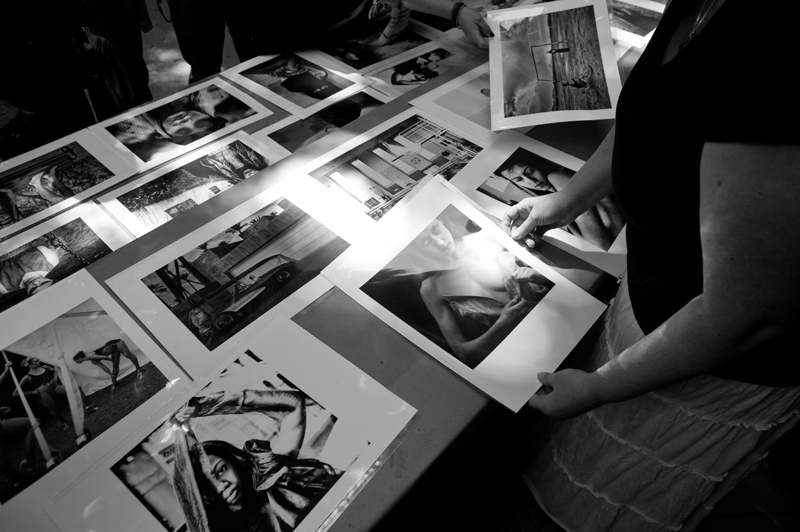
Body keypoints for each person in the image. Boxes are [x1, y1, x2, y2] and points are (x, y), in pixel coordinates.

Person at [502, 1, 800, 530]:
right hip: (657, 300)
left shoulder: (777, 48)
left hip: (714, 359)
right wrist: (567, 199)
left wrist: (600, 389)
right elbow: (655, 112)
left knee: (610, 494)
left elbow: (748, 314)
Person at [171, 387, 342, 532]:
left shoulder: (273, 477)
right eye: (206, 487)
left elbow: (292, 406)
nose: (221, 485)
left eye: (221, 470)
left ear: (233, 461)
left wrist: (209, 405)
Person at [403, 215, 553, 367]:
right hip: (526, 352)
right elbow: (464, 354)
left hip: (559, 314)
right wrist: (503, 324)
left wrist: (541, 276)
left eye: (435, 229)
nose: (440, 242)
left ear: (441, 220)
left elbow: (556, 272)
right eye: (425, 242)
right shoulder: (431, 288)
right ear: (415, 251)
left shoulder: (486, 238)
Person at [496, 157, 625, 251]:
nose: (531, 181)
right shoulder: (552, 196)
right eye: (519, 179)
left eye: (530, 171)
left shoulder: (557, 176)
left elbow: (601, 246)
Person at [0, 362, 37, 486]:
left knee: (33, 423)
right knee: (2, 460)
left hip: (2, 424)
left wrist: (6, 370)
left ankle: (29, 461)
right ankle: (18, 480)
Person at [73, 339, 141, 389]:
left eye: (76, 361)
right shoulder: (92, 361)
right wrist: (110, 374)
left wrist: (111, 360)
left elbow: (105, 357)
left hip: (116, 343)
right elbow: (104, 367)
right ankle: (114, 382)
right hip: (113, 349)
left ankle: (138, 369)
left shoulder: (89, 356)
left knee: (127, 355)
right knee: (115, 365)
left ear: (79, 358)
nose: (76, 363)